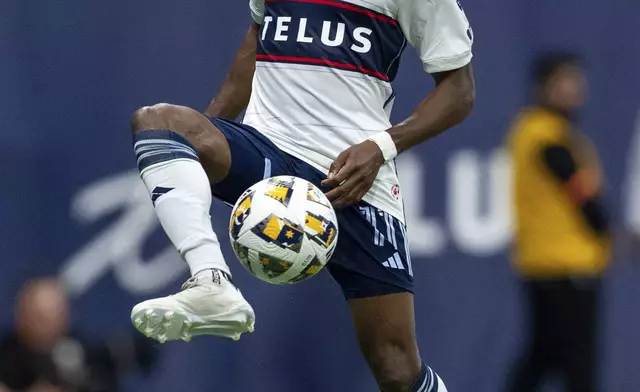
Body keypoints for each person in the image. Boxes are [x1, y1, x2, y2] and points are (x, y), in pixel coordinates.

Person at [129, 0, 475, 390]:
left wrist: (381, 147)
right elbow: (256, 41)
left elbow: (459, 90)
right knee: (159, 123)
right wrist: (204, 146)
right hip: (269, 152)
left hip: (350, 173)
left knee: (395, 364)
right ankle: (211, 282)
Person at [505, 52, 611, 392]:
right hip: (567, 266)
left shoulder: (533, 131)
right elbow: (580, 193)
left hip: (545, 264)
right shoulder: (546, 136)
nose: (574, 89)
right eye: (564, 82)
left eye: (576, 81)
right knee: (577, 363)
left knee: (545, 355)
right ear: (543, 87)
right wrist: (604, 228)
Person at [0, 278, 158, 392]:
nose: (50, 324)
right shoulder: (7, 357)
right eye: (40, 317)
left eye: (56, 315)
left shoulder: (78, 349)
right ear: (23, 315)